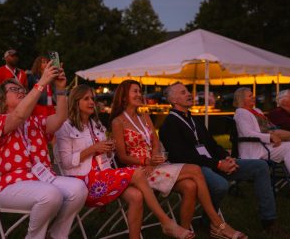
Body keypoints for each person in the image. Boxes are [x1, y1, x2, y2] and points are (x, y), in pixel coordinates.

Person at [110, 80, 246, 239]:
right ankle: (218, 224)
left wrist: (154, 155)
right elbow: (122, 156)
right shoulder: (118, 122)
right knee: (195, 170)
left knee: (190, 186)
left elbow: (155, 140)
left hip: (156, 164)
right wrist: (147, 163)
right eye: (135, 91)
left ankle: (184, 230)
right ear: (124, 96)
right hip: (138, 171)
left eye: (140, 91)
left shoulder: (145, 116)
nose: (139, 94)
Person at [56, 84, 195, 239]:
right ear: (75, 102)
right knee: (136, 172)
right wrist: (93, 148)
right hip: (85, 182)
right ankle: (166, 222)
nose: (91, 102)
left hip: (105, 176)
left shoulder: (96, 125)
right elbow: (67, 162)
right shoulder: (65, 127)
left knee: (136, 196)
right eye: (86, 99)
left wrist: (109, 151)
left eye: (93, 99)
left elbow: (106, 159)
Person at [158, 82, 290, 238]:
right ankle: (208, 221)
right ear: (173, 100)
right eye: (183, 92)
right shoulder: (169, 125)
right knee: (220, 185)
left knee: (260, 166)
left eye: (188, 91)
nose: (189, 94)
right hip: (195, 168)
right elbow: (182, 156)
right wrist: (217, 164)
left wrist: (226, 157)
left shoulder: (194, 119)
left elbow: (212, 144)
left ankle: (269, 221)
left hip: (215, 163)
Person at [0, 61, 87, 239]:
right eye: (14, 89)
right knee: (50, 195)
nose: (20, 91)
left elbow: (60, 118)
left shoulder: (34, 121)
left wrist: (60, 89)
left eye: (21, 89)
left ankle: (56, 235)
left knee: (78, 189)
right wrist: (42, 82)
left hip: (42, 179)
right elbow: (18, 114)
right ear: (2, 99)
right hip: (10, 185)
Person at [233, 87, 290, 193]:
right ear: (241, 99)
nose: (253, 97)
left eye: (252, 95)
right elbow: (247, 133)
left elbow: (266, 126)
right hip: (256, 149)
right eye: (250, 96)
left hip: (266, 145)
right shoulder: (241, 113)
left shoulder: (256, 111)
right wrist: (270, 137)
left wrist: (274, 132)